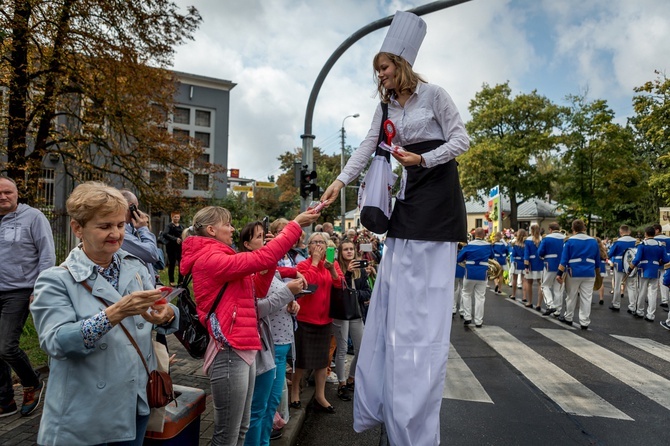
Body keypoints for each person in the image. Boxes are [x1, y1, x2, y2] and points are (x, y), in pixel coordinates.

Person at [321, 11, 469, 444]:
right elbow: (369, 146)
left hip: (438, 194)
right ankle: (389, 401)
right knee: (395, 300)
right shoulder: (384, 105)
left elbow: (461, 139)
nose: (379, 76)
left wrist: (423, 159)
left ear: (401, 63)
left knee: (425, 306)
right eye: (377, 71)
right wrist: (338, 182)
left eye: (383, 67)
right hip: (407, 198)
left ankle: (416, 413)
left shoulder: (435, 95)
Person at [30, 182, 179, 444]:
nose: (116, 234)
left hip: (135, 403)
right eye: (104, 226)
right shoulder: (55, 280)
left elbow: (158, 308)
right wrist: (114, 313)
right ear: (78, 228)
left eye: (120, 225)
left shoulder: (134, 266)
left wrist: (166, 313)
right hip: (86, 413)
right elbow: (56, 342)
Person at [179, 206, 319, 446]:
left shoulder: (223, 256)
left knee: (240, 428)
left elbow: (258, 288)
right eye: (228, 224)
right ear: (212, 229)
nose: (233, 229)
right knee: (227, 435)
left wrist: (270, 259)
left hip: (242, 346)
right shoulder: (210, 259)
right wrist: (294, 225)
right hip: (230, 350)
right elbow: (261, 260)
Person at [238, 221, 304, 446]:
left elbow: (276, 298)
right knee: (260, 407)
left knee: (271, 403)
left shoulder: (269, 267)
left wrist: (292, 303)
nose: (265, 240)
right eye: (259, 237)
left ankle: (263, 442)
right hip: (268, 346)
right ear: (247, 245)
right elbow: (255, 309)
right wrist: (288, 293)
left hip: (282, 343)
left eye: (265, 236)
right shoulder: (249, 269)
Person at [0, 176, 55, 418]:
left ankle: (32, 382)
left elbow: (47, 255)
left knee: (6, 347)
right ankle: (5, 401)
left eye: (8, 192)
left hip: (19, 291)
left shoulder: (33, 217)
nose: (3, 197)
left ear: (17, 193)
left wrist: (39, 289)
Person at [290, 232, 344, 413]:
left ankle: (320, 396)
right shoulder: (302, 265)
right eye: (314, 242)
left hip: (325, 319)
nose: (318, 246)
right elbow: (307, 285)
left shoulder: (332, 264)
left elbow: (340, 286)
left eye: (322, 242)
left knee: (322, 361)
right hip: (305, 319)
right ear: (308, 246)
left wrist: (332, 270)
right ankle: (295, 391)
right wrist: (314, 263)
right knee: (302, 361)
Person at [333, 238, 371, 402]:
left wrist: (357, 296)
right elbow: (341, 290)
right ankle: (341, 384)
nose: (349, 251)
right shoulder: (336, 268)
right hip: (341, 313)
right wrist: (347, 273)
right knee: (341, 349)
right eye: (345, 249)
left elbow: (367, 292)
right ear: (340, 253)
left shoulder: (360, 270)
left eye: (351, 249)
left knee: (361, 349)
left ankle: (351, 378)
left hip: (356, 312)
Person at [556, 219, 600, 329]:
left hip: (574, 271)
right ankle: (584, 322)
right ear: (584, 228)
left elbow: (564, 260)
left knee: (571, 295)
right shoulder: (593, 241)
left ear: (573, 229)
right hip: (589, 271)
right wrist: (597, 273)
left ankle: (569, 317)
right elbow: (597, 260)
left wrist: (559, 274)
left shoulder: (569, 241)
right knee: (586, 297)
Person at [119, 189, 162, 286]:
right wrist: (143, 228)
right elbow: (152, 254)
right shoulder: (122, 234)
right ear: (131, 207)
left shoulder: (131, 229)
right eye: (136, 208)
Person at [630, 226, 667, 322]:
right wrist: (660, 263)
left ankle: (640, 311)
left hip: (644, 269)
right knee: (653, 293)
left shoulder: (642, 244)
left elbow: (637, 259)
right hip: (655, 269)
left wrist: (630, 268)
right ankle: (650, 314)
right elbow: (666, 259)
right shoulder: (660, 245)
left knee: (642, 291)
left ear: (646, 234)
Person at [457, 228, 493, 328]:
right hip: (482, 273)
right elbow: (492, 256)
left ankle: (467, 317)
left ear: (475, 234)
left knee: (466, 294)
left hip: (470, 273)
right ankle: (478, 321)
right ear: (484, 235)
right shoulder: (488, 245)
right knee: (480, 297)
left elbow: (459, 258)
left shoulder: (469, 245)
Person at [607, 225, 638, 312]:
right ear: (629, 232)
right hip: (631, 265)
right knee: (631, 286)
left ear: (621, 232)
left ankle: (616, 304)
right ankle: (632, 306)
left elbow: (610, 253)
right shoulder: (636, 241)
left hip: (619, 265)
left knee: (617, 285)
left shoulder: (617, 242)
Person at [537, 223, 565, 317]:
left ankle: (550, 304)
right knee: (558, 289)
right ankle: (557, 310)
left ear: (550, 229)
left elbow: (540, 252)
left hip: (549, 264)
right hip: (562, 265)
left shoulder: (547, 238)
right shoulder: (565, 238)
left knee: (545, 285)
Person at [524, 224, 544, 310]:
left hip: (531, 263)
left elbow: (526, 253)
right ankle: (539, 304)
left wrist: (526, 265)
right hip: (541, 262)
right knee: (541, 283)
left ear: (531, 231)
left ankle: (530, 302)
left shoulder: (528, 240)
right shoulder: (542, 239)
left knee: (529, 283)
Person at [162, 211, 184, 286]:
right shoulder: (169, 226)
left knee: (181, 263)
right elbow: (165, 234)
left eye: (178, 217)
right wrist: (175, 239)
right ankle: (171, 281)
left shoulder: (181, 226)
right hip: (171, 247)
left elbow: (183, 234)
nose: (177, 218)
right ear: (172, 217)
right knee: (172, 264)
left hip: (180, 247)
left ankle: (181, 280)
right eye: (175, 217)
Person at [653, 224, 670, 309]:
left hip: (657, 260)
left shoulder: (653, 239)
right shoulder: (668, 238)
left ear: (657, 230)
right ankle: (665, 300)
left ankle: (652, 298)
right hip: (667, 260)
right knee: (664, 280)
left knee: (654, 282)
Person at [509, 229, 527, 301]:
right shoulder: (526, 244)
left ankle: (513, 294)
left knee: (515, 279)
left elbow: (513, 254)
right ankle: (524, 296)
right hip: (524, 262)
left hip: (516, 262)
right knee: (524, 280)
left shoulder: (515, 244)